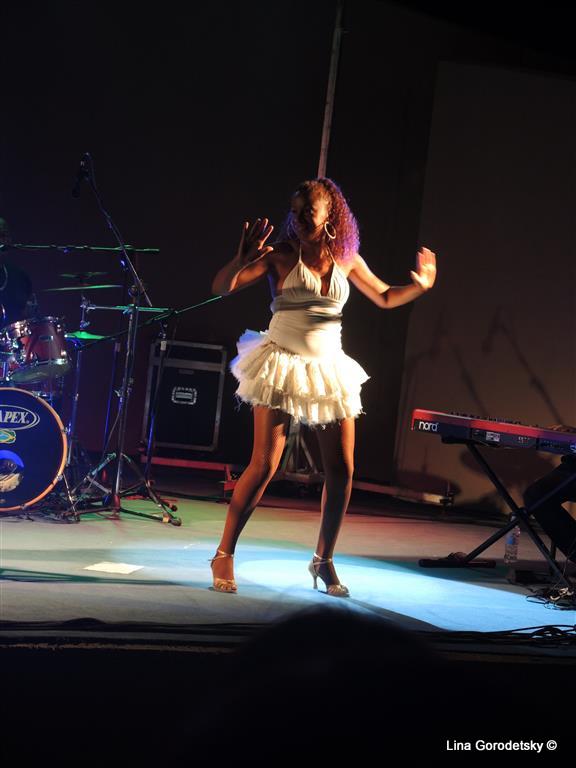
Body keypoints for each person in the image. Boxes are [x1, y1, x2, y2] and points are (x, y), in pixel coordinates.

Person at [210, 177, 437, 595]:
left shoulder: (347, 259)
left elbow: (386, 297)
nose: (298, 219)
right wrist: (239, 260)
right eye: (294, 212)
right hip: (281, 362)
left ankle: (323, 560)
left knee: (342, 469)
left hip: (328, 367)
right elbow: (221, 288)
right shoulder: (282, 254)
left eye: (307, 212)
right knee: (264, 464)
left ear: (330, 213)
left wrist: (420, 287)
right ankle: (223, 553)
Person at [0, 217, 34, 326]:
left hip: (13, 335)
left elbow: (30, 314)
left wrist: (30, 309)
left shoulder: (20, 275)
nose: (4, 240)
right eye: (1, 235)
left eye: (5, 235)